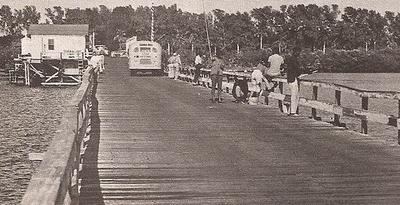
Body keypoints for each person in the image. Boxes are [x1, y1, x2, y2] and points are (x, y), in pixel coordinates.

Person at [285, 46, 302, 116]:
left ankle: (290, 111)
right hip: (293, 79)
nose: (299, 54)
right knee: (294, 95)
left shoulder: (290, 59)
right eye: (299, 52)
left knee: (293, 95)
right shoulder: (294, 59)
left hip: (289, 78)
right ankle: (292, 112)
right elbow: (297, 69)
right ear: (296, 52)